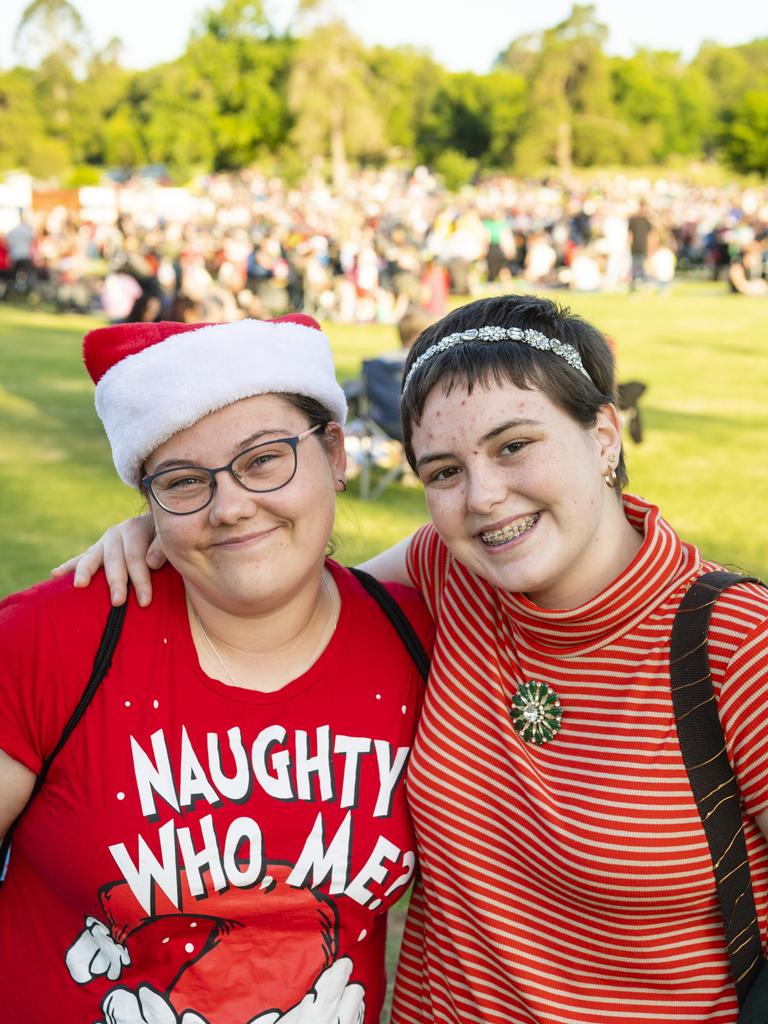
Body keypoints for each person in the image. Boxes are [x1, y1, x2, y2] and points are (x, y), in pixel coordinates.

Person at [57, 295, 768, 1024]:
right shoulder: (450, 572)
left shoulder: (739, 645)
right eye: (444, 472)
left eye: (514, 445)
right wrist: (172, 520)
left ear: (604, 436)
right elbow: (282, 581)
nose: (486, 498)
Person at [0, 314, 432, 1024]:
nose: (231, 507)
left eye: (264, 460)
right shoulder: (54, 640)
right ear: (147, 501)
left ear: (335, 452)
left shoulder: (420, 643)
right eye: (184, 481)